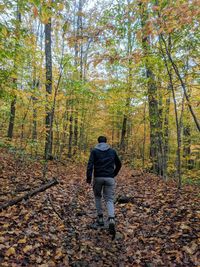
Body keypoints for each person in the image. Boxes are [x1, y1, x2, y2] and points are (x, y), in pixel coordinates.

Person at [86, 136, 121, 236]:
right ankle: (111, 219)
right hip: (109, 178)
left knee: (98, 197)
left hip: (98, 178)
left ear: (98, 142)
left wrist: (89, 178)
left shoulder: (94, 151)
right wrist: (114, 174)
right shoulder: (112, 151)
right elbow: (119, 164)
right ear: (106, 142)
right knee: (109, 199)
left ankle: (100, 218)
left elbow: (90, 165)